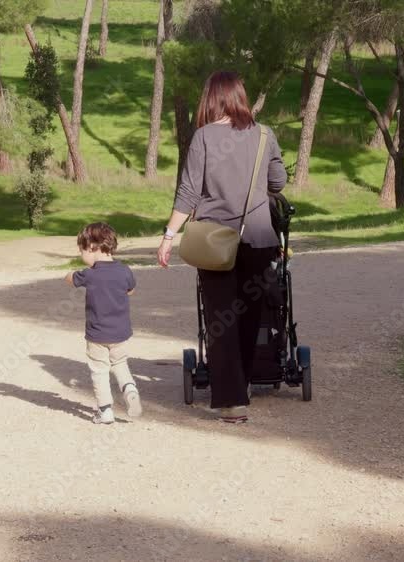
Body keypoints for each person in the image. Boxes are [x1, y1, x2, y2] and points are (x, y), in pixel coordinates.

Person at [156, 71, 287, 423]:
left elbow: (188, 192)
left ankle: (231, 401)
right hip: (258, 239)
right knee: (250, 316)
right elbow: (278, 181)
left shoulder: (203, 138)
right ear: (240, 97)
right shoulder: (264, 135)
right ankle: (241, 383)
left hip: (215, 241)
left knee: (220, 319)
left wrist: (169, 236)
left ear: (211, 98)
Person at [65, 222, 143, 424]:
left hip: (97, 335)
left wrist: (70, 274)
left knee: (99, 370)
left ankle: (105, 411)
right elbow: (131, 291)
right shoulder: (124, 271)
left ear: (92, 247)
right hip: (120, 333)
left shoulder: (89, 274)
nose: (81, 255)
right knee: (120, 364)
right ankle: (130, 389)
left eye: (81, 251)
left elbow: (70, 279)